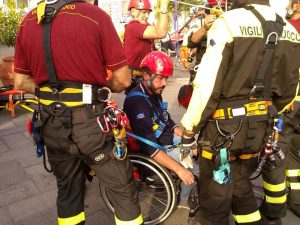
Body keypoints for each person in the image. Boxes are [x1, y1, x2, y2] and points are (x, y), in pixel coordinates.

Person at [13, 1, 143, 225]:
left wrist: (54, 95)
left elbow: (21, 81)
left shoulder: (29, 21)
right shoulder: (95, 16)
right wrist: (99, 89)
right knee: (122, 188)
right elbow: (122, 80)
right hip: (90, 123)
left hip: (50, 122)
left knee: (68, 190)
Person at [180, 0, 300, 225]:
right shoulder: (290, 30)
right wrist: (267, 112)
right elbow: (289, 90)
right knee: (241, 187)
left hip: (223, 131)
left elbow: (207, 85)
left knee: (214, 202)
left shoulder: (229, 22)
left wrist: (189, 129)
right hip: (260, 128)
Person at [123, 51, 197, 208]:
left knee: (199, 146)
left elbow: (166, 119)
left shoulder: (154, 92)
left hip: (166, 138)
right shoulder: (137, 102)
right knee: (195, 166)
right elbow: (149, 147)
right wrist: (179, 170)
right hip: (157, 147)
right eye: (160, 78)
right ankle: (184, 200)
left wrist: (186, 137)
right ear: (146, 75)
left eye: (166, 78)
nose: (164, 83)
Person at [278, 0, 300, 218]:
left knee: (278, 151)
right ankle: (296, 200)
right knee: (294, 154)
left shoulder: (292, 29)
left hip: (292, 101)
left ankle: (275, 204)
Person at [124, 0, 170, 93]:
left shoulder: (144, 26)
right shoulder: (133, 27)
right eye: (144, 12)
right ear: (133, 11)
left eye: (148, 13)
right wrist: (164, 6)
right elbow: (161, 32)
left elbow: (159, 29)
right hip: (137, 79)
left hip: (146, 78)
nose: (147, 16)